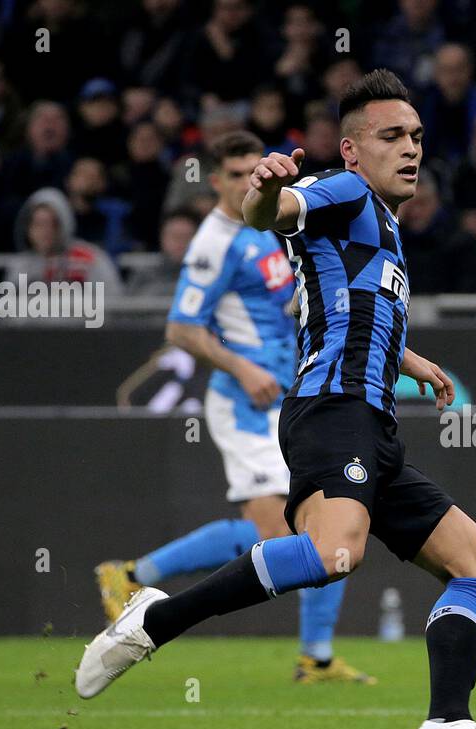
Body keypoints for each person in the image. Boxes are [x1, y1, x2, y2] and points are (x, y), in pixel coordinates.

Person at [76, 70, 476, 729]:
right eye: (391, 136)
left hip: (372, 423)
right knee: (334, 554)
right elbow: (271, 213)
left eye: (417, 136)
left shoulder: (382, 225)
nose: (410, 149)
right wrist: (266, 188)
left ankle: (451, 721)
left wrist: (412, 359)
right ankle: (154, 620)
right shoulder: (343, 192)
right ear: (350, 149)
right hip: (331, 413)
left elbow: (348, 310)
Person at [94, 130, 369, 685]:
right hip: (244, 405)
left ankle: (315, 656)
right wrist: (243, 368)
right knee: (299, 538)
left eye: (256, 169)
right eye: (238, 173)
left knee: (320, 527)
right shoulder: (214, 242)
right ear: (216, 181)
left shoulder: (266, 226)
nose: (252, 180)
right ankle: (133, 574)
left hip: (287, 397)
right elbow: (181, 328)